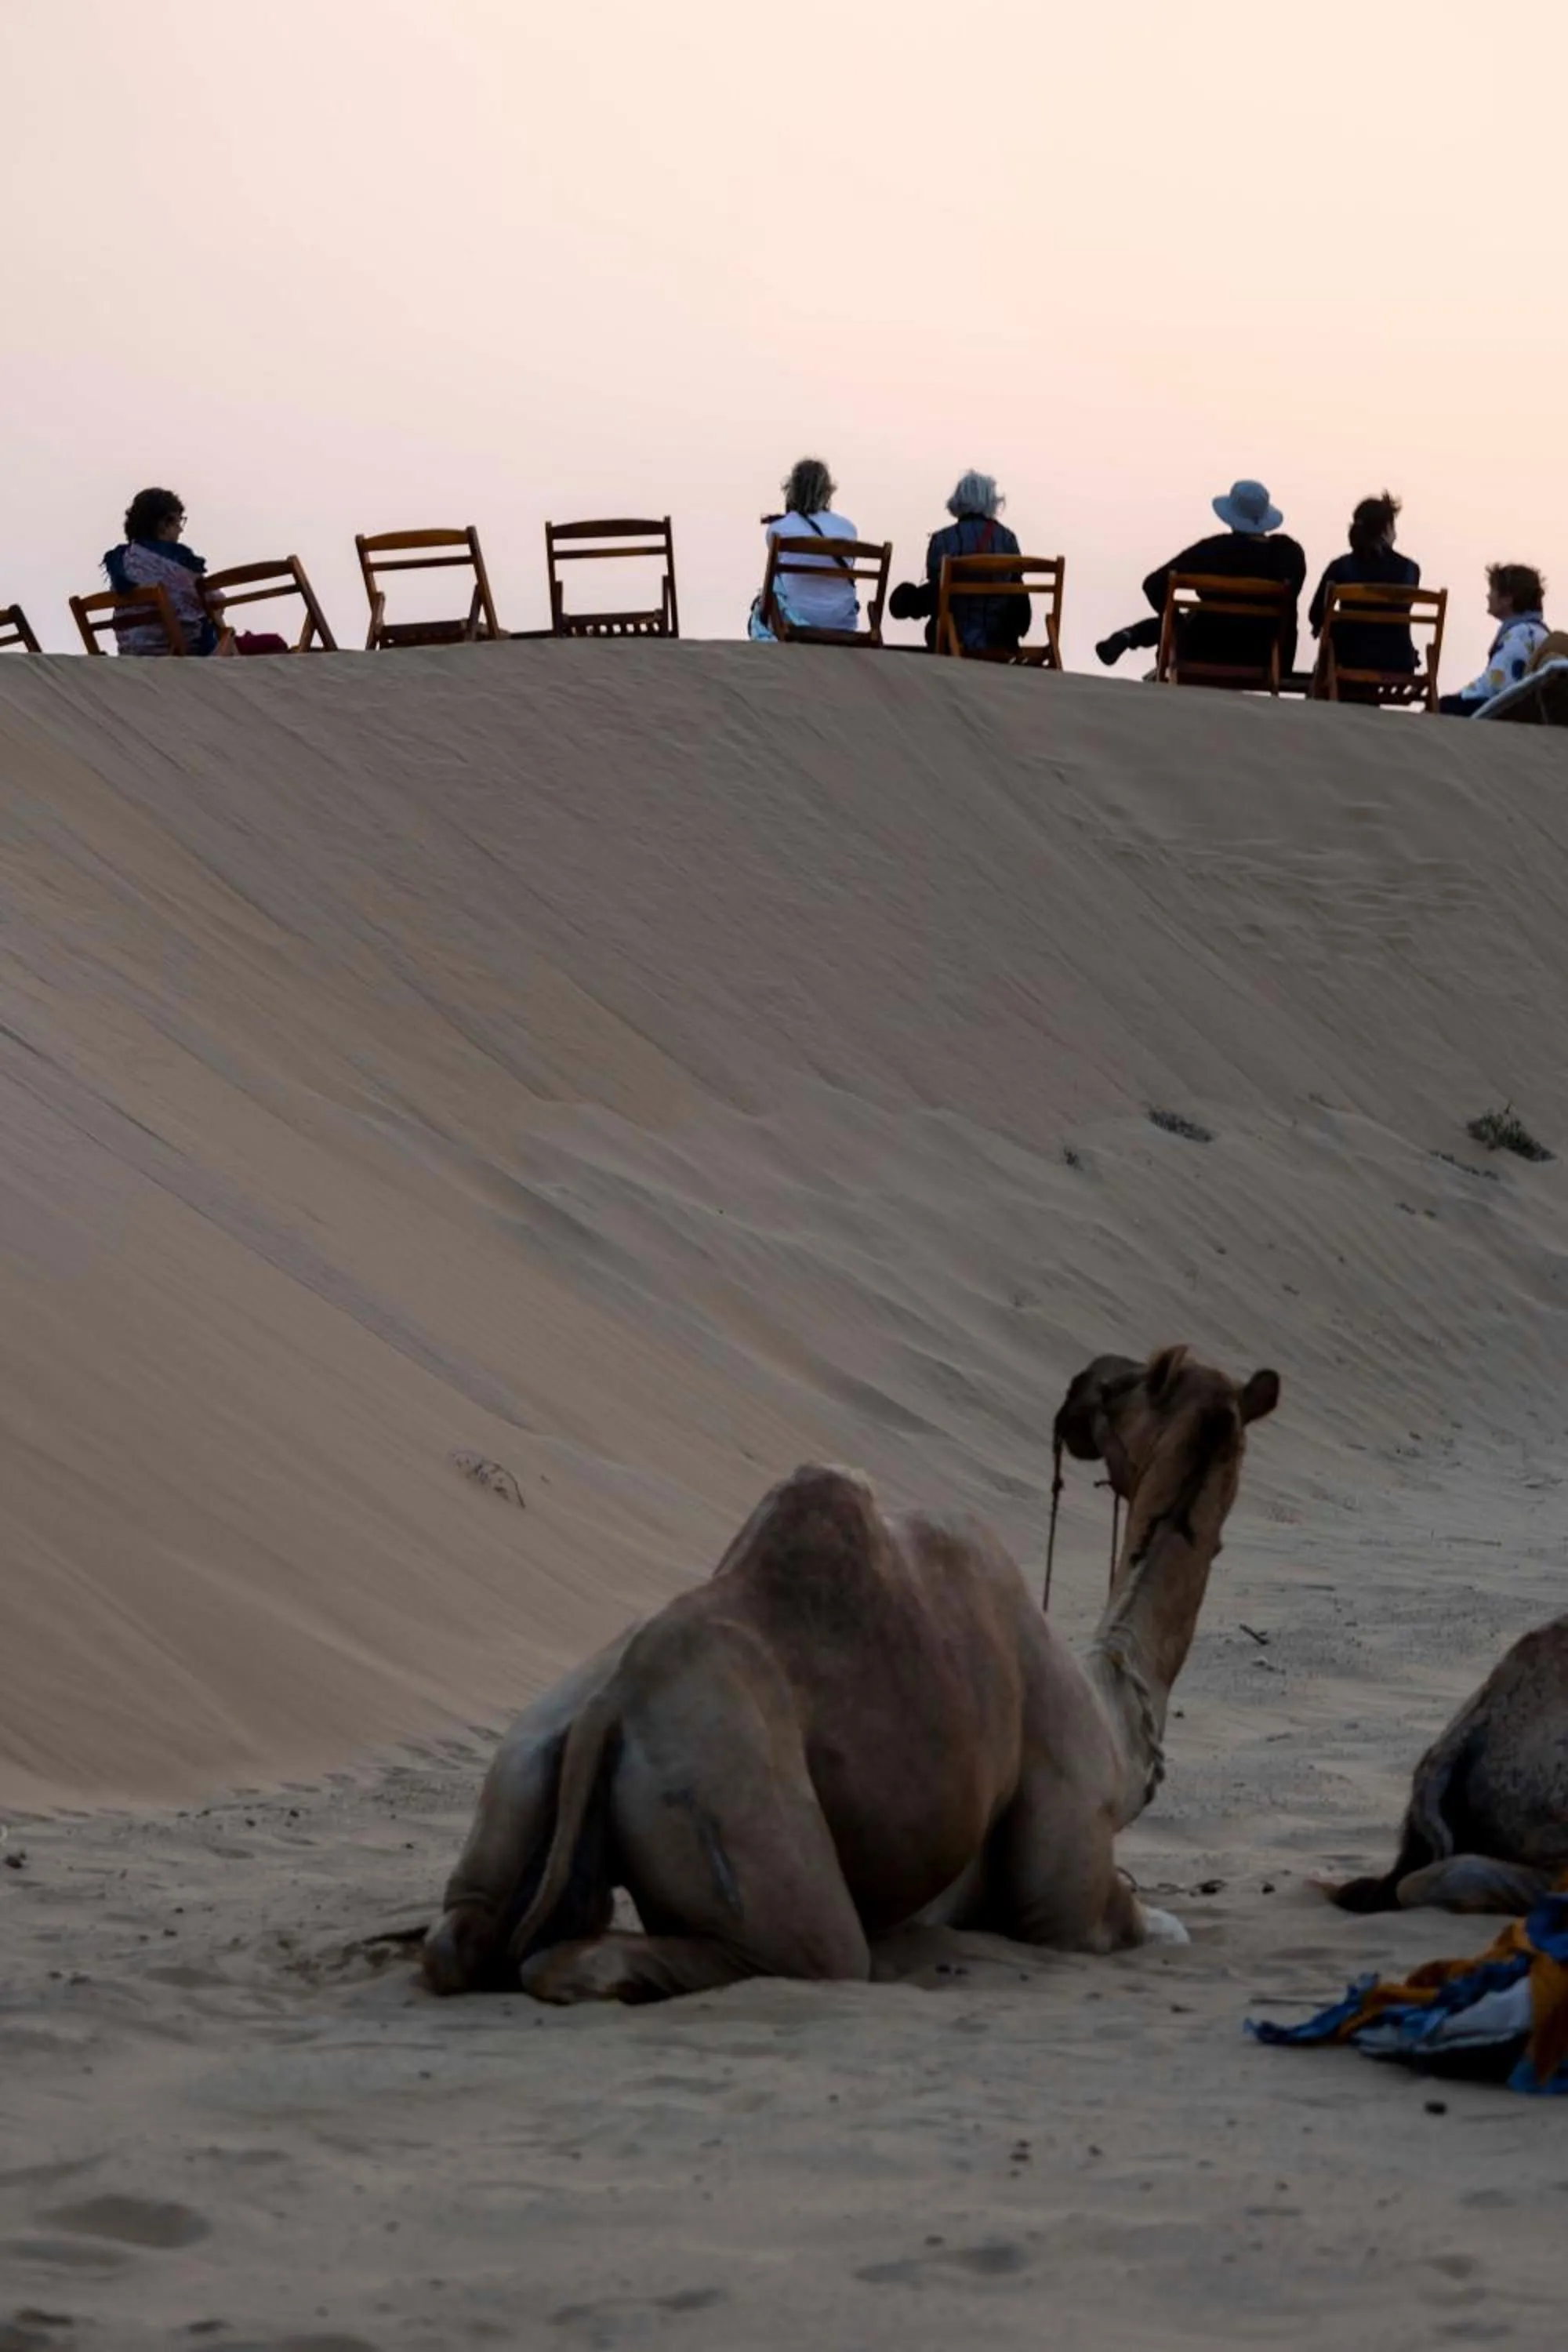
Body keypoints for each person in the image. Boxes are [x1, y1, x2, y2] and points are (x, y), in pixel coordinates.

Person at [1095, 479, 1307, 675]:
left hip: (1205, 648)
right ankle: (1130, 635)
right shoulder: (1288, 555)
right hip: (1265, 654)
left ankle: (1130, 635)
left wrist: (1176, 623)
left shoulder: (1213, 550)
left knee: (1185, 622)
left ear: (1231, 516)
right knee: (1195, 620)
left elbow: (1153, 585)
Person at [887, 471, 1030, 652]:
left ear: (958, 500)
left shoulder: (942, 540)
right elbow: (1018, 594)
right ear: (993, 502)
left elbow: (936, 593)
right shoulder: (1007, 539)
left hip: (951, 638)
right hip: (999, 641)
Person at [1308, 492, 1421, 687]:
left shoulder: (1340, 567)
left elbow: (1316, 614)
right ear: (1387, 528)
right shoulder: (1411, 570)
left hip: (1349, 659)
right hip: (1397, 661)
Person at [750, 458, 858, 637]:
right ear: (827, 492)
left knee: (771, 587)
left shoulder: (777, 530)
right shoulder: (848, 529)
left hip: (795, 618)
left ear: (791, 491)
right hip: (841, 621)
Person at [103, 488, 220, 655]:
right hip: (176, 651)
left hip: (131, 652)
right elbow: (214, 600)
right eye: (179, 522)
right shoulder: (176, 561)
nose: (181, 530)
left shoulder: (120, 560)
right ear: (165, 523)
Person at [1438, 564, 1550, 716]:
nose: (1488, 596)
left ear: (1507, 599)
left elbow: (1497, 684)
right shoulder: (1538, 632)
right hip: (1523, 707)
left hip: (1505, 709)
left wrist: (1461, 695)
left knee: (1443, 706)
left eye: (1492, 590)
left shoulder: (1519, 634)